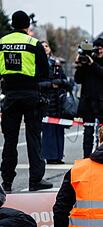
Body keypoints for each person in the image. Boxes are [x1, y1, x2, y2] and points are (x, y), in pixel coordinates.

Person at [0, 10, 53, 192]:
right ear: (27, 25)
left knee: (10, 141)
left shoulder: (2, 43)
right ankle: (35, 180)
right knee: (33, 139)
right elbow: (46, 72)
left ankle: (6, 181)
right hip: (31, 96)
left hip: (10, 96)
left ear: (12, 24)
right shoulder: (34, 43)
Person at [74, 38, 103, 158]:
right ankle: (86, 157)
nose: (99, 51)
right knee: (88, 133)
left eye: (101, 49)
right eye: (97, 49)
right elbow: (78, 79)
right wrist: (80, 65)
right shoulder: (86, 63)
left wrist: (93, 64)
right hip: (88, 103)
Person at [40, 41, 72, 164]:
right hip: (45, 102)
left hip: (58, 103)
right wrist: (50, 85)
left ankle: (58, 156)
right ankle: (50, 156)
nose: (45, 48)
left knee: (59, 130)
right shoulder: (37, 64)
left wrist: (60, 82)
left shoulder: (56, 64)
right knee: (48, 131)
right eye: (42, 47)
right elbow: (36, 83)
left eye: (46, 46)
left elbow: (66, 81)